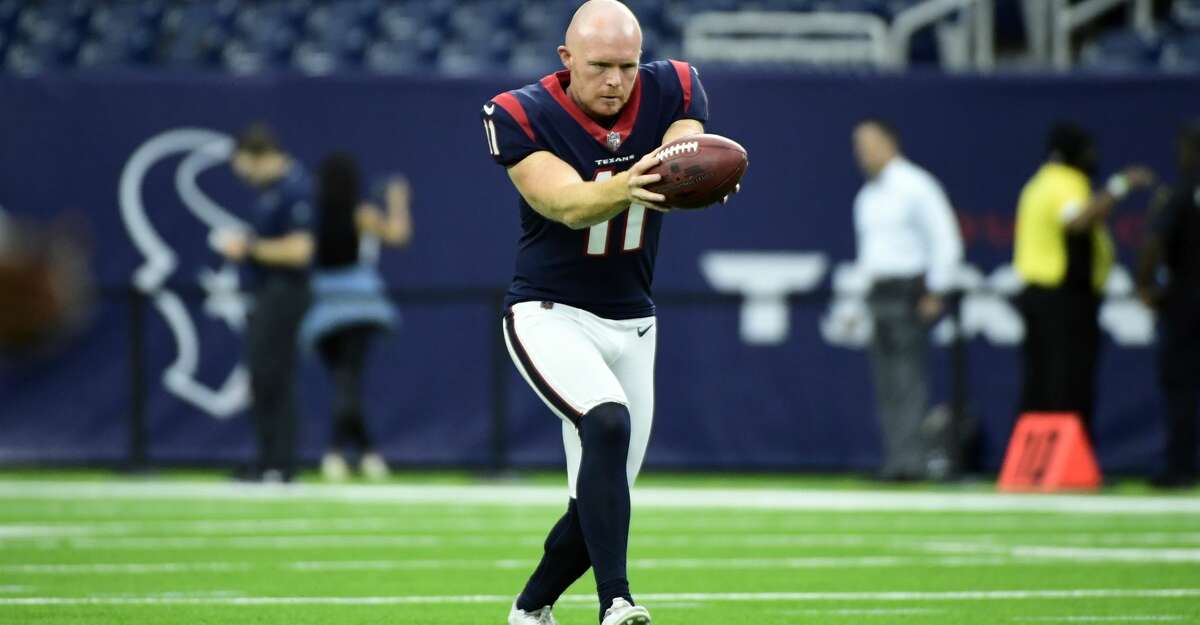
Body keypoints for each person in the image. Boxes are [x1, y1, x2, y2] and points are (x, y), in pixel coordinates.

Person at [481, 2, 734, 623]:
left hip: (634, 320)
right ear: (566, 60)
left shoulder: (672, 83)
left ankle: (529, 610)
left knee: (596, 496)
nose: (616, 81)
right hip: (549, 312)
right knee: (608, 422)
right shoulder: (519, 112)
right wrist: (636, 179)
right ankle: (617, 604)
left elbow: (686, 148)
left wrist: (688, 169)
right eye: (600, 67)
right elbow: (564, 203)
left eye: (627, 65)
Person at [1013, 122, 1153, 436]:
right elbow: (1077, 220)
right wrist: (1120, 186)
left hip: (1040, 295)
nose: (1093, 157)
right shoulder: (1064, 181)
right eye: (1088, 150)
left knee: (1040, 379)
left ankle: (1037, 460)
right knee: (1067, 380)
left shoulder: (1038, 183)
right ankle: (1066, 457)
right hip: (1061, 299)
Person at [851, 118, 963, 482]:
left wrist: (936, 289)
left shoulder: (916, 185)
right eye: (858, 144)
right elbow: (870, 256)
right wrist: (855, 303)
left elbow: (945, 239)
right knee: (887, 383)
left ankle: (912, 462)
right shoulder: (868, 195)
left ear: (889, 143)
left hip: (908, 292)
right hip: (878, 293)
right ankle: (896, 461)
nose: (862, 152)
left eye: (868, 143)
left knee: (908, 379)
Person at [300, 153, 413, 482]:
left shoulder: (312, 214)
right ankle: (347, 452)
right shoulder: (361, 213)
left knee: (343, 381)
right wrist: (398, 200)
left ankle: (359, 454)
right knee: (346, 382)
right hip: (357, 304)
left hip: (322, 306)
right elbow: (398, 235)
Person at [216, 123, 314, 483]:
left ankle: (280, 462)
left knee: (274, 374)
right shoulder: (272, 191)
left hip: (285, 291)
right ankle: (270, 458)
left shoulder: (294, 188)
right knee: (264, 375)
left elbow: (300, 250)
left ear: (257, 156)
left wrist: (248, 248)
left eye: (242, 165)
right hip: (268, 291)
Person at [1136, 122, 1200, 489]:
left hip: (1185, 298)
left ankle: (1181, 466)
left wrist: (1145, 284)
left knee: (1180, 385)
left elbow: (1154, 241)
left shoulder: (1176, 194)